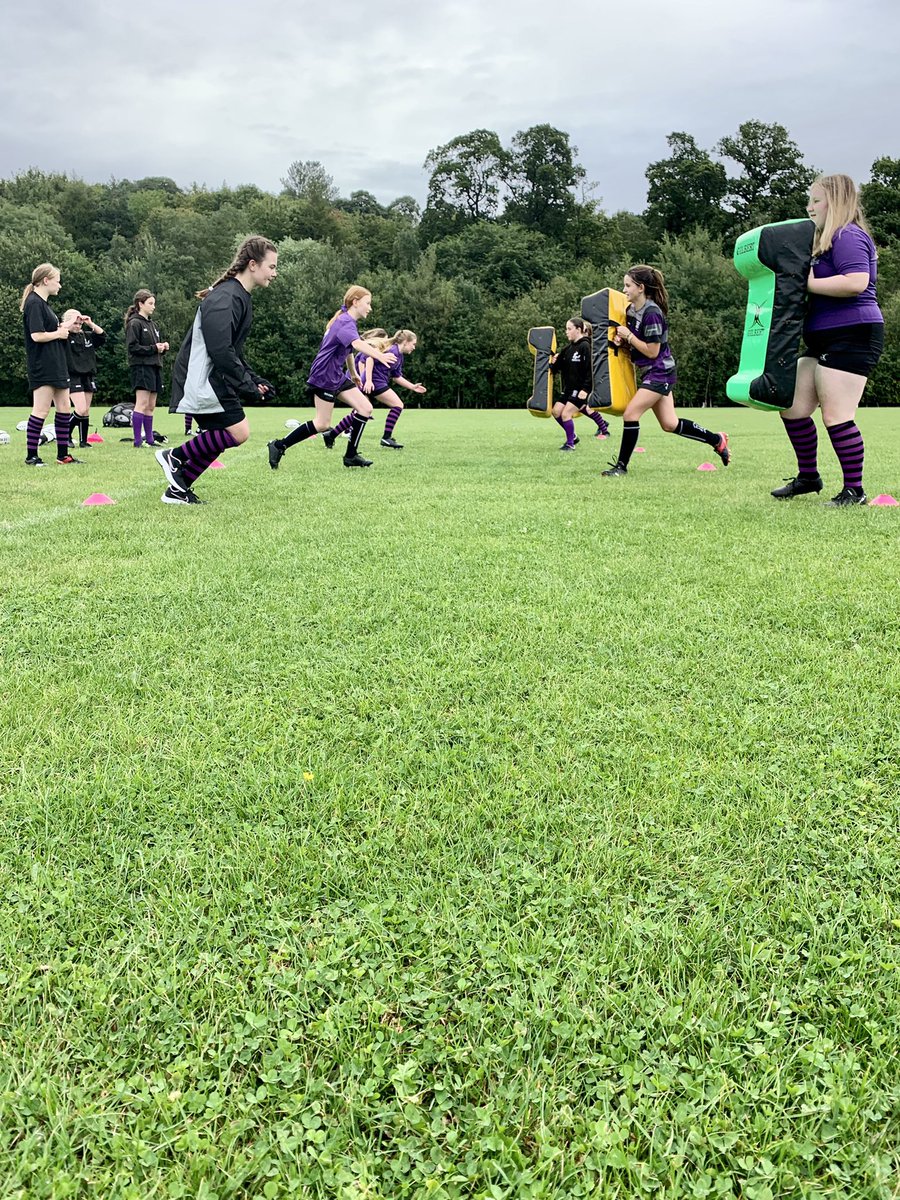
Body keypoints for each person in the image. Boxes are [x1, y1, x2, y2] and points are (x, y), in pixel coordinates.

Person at [771, 174, 884, 506]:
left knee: (836, 415)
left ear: (835, 201)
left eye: (816, 200)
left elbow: (856, 282)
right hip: (824, 338)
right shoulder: (825, 242)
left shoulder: (848, 234)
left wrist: (807, 284)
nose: (810, 206)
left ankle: (855, 491)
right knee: (792, 407)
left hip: (853, 333)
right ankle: (809, 477)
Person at [155, 235, 279, 504]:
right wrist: (247, 386)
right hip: (202, 378)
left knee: (222, 435)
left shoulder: (239, 297)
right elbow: (221, 351)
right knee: (238, 432)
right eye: (272, 267)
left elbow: (233, 351)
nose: (274, 273)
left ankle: (178, 489)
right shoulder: (226, 297)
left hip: (212, 376)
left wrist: (255, 380)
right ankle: (173, 456)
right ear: (253, 264)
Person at [601, 266, 730, 477]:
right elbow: (637, 344)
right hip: (652, 371)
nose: (623, 289)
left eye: (627, 285)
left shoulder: (652, 313)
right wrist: (622, 340)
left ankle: (621, 467)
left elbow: (652, 351)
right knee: (670, 424)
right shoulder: (631, 311)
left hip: (659, 371)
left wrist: (629, 337)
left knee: (631, 414)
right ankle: (717, 440)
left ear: (641, 288)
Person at [267, 286, 394, 469]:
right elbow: (357, 344)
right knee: (322, 423)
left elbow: (348, 350)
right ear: (355, 302)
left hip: (336, 375)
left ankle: (351, 456)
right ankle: (278, 445)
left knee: (365, 408)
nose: (370, 308)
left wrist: (353, 373)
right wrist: (380, 356)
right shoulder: (344, 322)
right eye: (368, 303)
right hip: (324, 375)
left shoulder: (348, 322)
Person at [19, 263, 81, 466]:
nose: (60, 285)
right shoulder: (34, 303)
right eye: (58, 280)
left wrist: (67, 327)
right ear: (46, 280)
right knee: (41, 410)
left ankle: (63, 455)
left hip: (56, 363)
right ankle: (31, 456)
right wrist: (59, 333)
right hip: (43, 365)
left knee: (64, 407)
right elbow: (36, 335)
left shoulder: (44, 305)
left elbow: (51, 330)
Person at [327, 328, 426, 449]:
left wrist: (412, 387)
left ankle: (331, 435)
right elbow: (369, 358)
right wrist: (368, 381)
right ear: (405, 341)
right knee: (397, 405)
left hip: (377, 383)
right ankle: (386, 438)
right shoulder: (392, 350)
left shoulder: (399, 356)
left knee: (361, 411)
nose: (414, 347)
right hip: (375, 382)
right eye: (413, 344)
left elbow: (396, 377)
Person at [549, 318, 609, 451]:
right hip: (568, 389)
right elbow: (557, 367)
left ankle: (570, 444)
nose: (566, 332)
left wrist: (586, 389)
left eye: (569, 329)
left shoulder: (586, 346)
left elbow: (591, 370)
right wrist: (553, 361)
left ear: (579, 330)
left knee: (566, 414)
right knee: (556, 411)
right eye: (566, 329)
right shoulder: (567, 349)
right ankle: (573, 437)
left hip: (580, 390)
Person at [125, 290, 168, 448]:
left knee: (151, 405)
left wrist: (162, 347)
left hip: (155, 366)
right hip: (141, 367)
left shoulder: (152, 324)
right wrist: (153, 348)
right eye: (150, 303)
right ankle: (138, 441)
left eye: (154, 303)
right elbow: (133, 348)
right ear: (140, 304)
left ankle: (149, 439)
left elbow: (153, 347)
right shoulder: (134, 323)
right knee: (141, 403)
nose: (153, 307)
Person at [63, 309, 105, 449]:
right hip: (73, 375)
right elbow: (59, 329)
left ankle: (83, 440)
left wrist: (90, 323)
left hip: (88, 374)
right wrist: (68, 323)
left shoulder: (86, 336)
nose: (78, 326)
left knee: (86, 410)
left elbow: (102, 335)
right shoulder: (64, 336)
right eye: (75, 323)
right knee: (80, 409)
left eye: (80, 323)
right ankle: (65, 436)